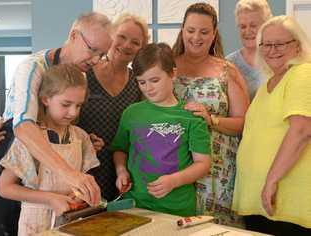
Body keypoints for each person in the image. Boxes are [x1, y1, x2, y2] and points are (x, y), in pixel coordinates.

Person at [0, 12, 111, 236]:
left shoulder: (81, 75)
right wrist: (70, 174)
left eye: (102, 54)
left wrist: (82, 141)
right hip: (14, 148)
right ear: (74, 35)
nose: (96, 59)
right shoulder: (31, 68)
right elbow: (23, 128)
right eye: (92, 49)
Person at [0, 64, 100, 236]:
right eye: (66, 104)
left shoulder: (80, 137)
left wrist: (80, 196)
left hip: (70, 222)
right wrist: (51, 199)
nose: (73, 112)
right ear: (45, 99)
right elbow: (5, 188)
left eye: (79, 105)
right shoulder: (31, 139)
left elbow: (81, 180)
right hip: (35, 224)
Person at [111, 43, 211, 216]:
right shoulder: (131, 113)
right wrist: (121, 170)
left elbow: (203, 164)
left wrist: (174, 181)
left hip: (177, 208)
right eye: (142, 82)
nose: (148, 88)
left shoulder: (191, 116)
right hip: (136, 205)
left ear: (173, 73)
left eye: (154, 80)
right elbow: (120, 149)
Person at [232, 15, 311, 235]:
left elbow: (302, 130)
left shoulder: (303, 73)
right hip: (262, 200)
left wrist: (271, 180)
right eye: (266, 44)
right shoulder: (268, 82)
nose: (271, 50)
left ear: (297, 45)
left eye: (280, 44)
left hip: (286, 199)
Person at [172, 2, 249, 226]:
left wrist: (212, 119)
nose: (196, 37)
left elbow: (244, 123)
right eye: (191, 30)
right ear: (183, 30)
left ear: (214, 33)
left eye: (204, 32)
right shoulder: (167, 67)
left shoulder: (227, 70)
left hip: (218, 168)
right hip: (177, 164)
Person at [78, 13, 149, 201]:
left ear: (141, 48)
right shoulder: (85, 74)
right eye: (122, 37)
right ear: (110, 36)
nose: (126, 45)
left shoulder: (139, 83)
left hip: (124, 171)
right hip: (84, 165)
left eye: (135, 42)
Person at [226, 0, 272, 101]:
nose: (247, 31)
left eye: (253, 25)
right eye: (243, 26)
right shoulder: (229, 64)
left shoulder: (278, 59)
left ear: (267, 25)